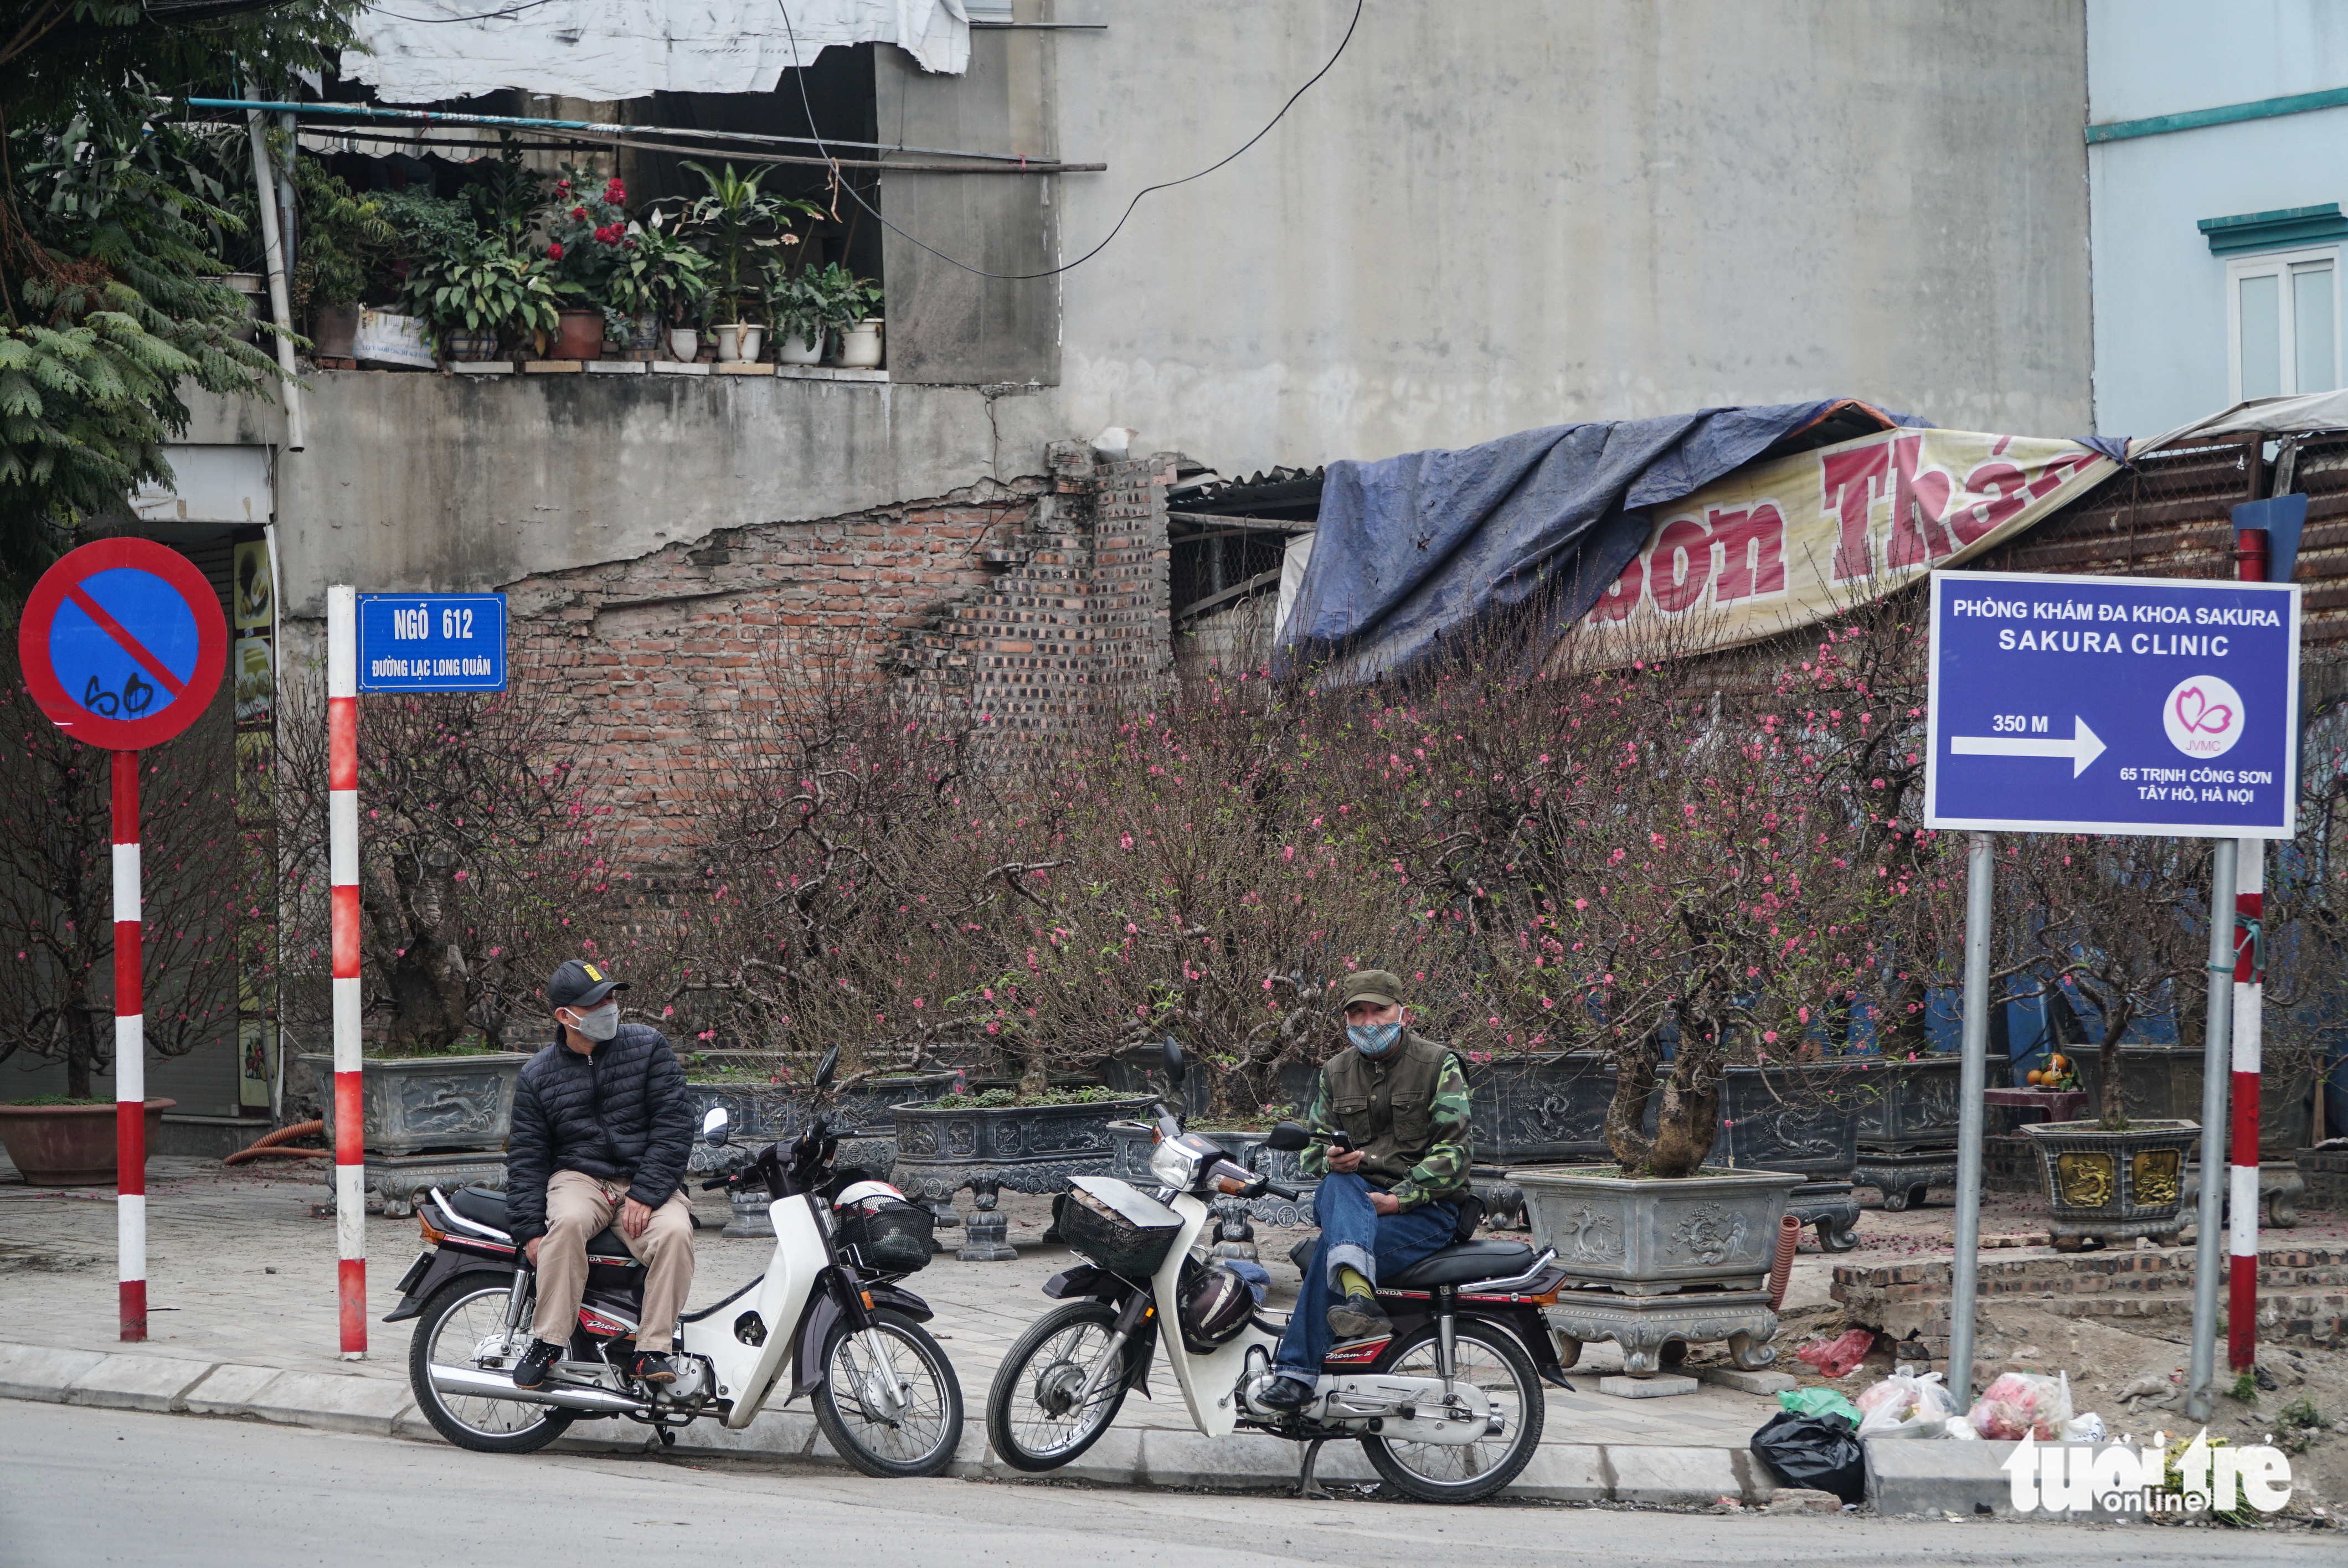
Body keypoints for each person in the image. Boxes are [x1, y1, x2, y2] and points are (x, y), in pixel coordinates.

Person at [1257, 969, 1474, 1411]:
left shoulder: (1438, 1064)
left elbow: (1455, 1156)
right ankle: (1358, 1299)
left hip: (1422, 1212)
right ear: (1346, 1021)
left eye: (1380, 1011)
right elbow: (1313, 1154)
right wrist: (1333, 1159)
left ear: (1403, 1014)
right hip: (1350, 1203)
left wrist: (1399, 1199)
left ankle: (1297, 1373)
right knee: (1338, 1182)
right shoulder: (1335, 1072)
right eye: (1358, 1013)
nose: (1369, 1022)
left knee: (1327, 1253)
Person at [504, 959, 695, 1391]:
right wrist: (530, 1231)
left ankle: (652, 1350)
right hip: (579, 1178)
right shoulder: (537, 1076)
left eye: (610, 996)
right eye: (596, 1002)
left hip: (643, 1179)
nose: (609, 1006)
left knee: (676, 1234)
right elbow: (528, 1157)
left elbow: (675, 1124)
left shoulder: (648, 1047)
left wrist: (647, 1193)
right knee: (567, 1224)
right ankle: (548, 1341)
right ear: (564, 1016)